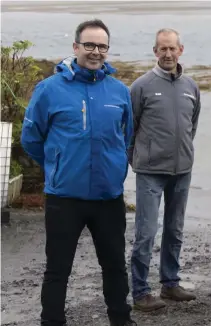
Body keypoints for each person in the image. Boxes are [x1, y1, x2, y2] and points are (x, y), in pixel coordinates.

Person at [20, 19, 137, 326]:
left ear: (107, 50)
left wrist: (116, 169)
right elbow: (31, 138)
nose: (95, 52)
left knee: (114, 266)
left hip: (108, 196)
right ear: (75, 47)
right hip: (64, 197)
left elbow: (126, 137)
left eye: (101, 46)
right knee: (58, 269)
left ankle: (121, 321)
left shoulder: (119, 91)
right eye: (89, 45)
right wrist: (56, 165)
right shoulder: (49, 89)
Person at [127, 28, 201, 311]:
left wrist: (182, 153)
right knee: (146, 232)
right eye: (162, 49)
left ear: (180, 50)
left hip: (182, 169)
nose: (168, 54)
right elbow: (130, 128)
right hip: (150, 171)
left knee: (175, 228)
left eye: (172, 48)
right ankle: (141, 292)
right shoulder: (141, 86)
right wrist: (136, 160)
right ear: (155, 52)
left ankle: (170, 284)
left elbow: (191, 126)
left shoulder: (192, 87)